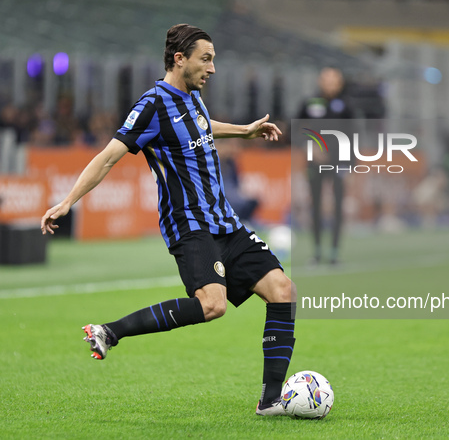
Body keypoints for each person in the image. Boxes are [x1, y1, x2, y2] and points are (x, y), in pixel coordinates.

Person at [41, 24, 295, 416]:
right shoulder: (152, 105)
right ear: (180, 59)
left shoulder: (193, 98)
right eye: (205, 59)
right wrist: (68, 201)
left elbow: (201, 128)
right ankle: (109, 331)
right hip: (189, 224)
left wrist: (243, 131)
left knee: (283, 290)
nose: (212, 69)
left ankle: (271, 401)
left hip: (224, 222)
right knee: (213, 305)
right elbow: (108, 156)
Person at [298, 67, 354, 264]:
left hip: (338, 163)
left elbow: (353, 134)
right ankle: (317, 251)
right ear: (320, 81)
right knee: (315, 205)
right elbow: (297, 130)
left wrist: (349, 164)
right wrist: (310, 147)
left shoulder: (346, 106)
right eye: (326, 80)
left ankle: (334, 252)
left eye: (334, 80)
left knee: (338, 206)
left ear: (340, 83)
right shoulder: (310, 103)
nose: (330, 84)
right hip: (315, 163)